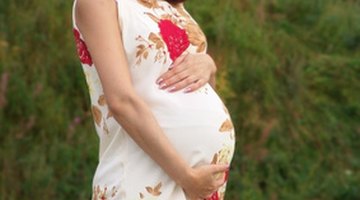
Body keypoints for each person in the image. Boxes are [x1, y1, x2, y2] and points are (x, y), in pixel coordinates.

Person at [72, 0, 235, 199]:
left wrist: (209, 67)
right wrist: (186, 177)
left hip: (195, 185)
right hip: (144, 178)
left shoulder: (172, 7)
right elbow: (121, 101)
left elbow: (196, 92)